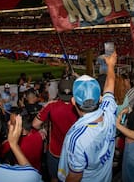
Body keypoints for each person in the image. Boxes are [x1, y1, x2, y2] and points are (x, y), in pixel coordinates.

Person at [57, 52, 117, 182]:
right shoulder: (109, 111)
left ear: (73, 101)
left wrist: (111, 65)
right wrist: (111, 65)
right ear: (99, 98)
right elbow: (110, 86)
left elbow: (75, 176)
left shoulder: (77, 138)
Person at [32, 78, 79, 182]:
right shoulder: (80, 107)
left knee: (54, 178)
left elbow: (35, 124)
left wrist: (42, 129)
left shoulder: (51, 106)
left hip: (55, 151)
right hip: (75, 151)